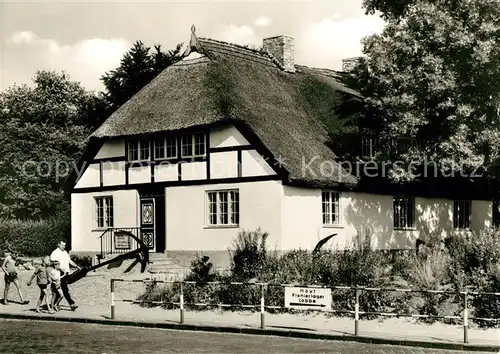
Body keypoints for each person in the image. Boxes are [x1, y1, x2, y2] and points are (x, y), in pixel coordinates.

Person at [50, 241, 81, 311]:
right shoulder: (55, 253)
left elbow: (69, 261)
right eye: (62, 245)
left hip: (66, 273)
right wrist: (59, 268)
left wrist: (77, 266)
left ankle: (55, 304)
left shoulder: (65, 252)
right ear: (58, 244)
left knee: (61, 289)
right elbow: (51, 262)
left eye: (64, 245)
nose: (63, 247)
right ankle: (71, 304)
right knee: (64, 289)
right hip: (59, 273)